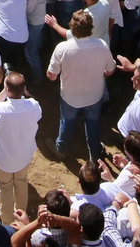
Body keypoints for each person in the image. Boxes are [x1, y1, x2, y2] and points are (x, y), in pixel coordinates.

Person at [45, 10, 116, 162]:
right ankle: (95, 153)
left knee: (67, 122)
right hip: (94, 96)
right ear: (91, 27)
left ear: (72, 27)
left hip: (70, 97)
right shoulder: (101, 45)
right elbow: (110, 70)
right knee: (93, 123)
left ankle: (61, 149)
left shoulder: (62, 48)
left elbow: (51, 76)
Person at [0, 71, 42, 218]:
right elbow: (35, 109)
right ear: (24, 89)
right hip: (23, 157)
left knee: (4, 188)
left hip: (3, 160)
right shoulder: (34, 106)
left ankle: (7, 220)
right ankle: (21, 215)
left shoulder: (0, 110)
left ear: (7, 90)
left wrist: (4, 92)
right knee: (22, 182)